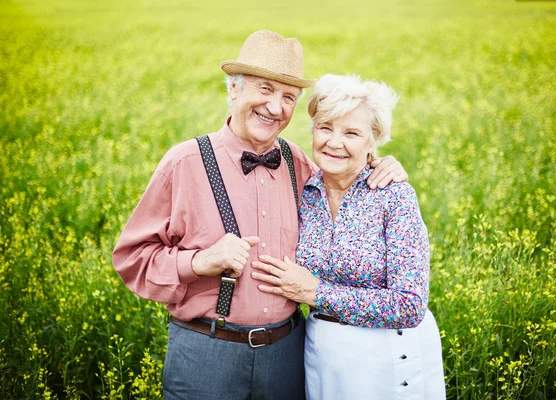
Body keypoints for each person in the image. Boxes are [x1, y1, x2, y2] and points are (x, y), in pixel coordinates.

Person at [112, 31, 408, 400]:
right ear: (233, 90)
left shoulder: (300, 164)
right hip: (206, 354)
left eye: (288, 97)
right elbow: (132, 259)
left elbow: (346, 173)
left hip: (288, 356)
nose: (274, 106)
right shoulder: (183, 163)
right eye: (264, 89)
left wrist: (380, 163)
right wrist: (200, 261)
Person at [251, 74, 446, 399]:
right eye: (325, 127)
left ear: (373, 142)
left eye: (351, 133)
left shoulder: (393, 196)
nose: (334, 142)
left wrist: (317, 293)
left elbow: (410, 305)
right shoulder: (303, 189)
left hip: (386, 359)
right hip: (323, 357)